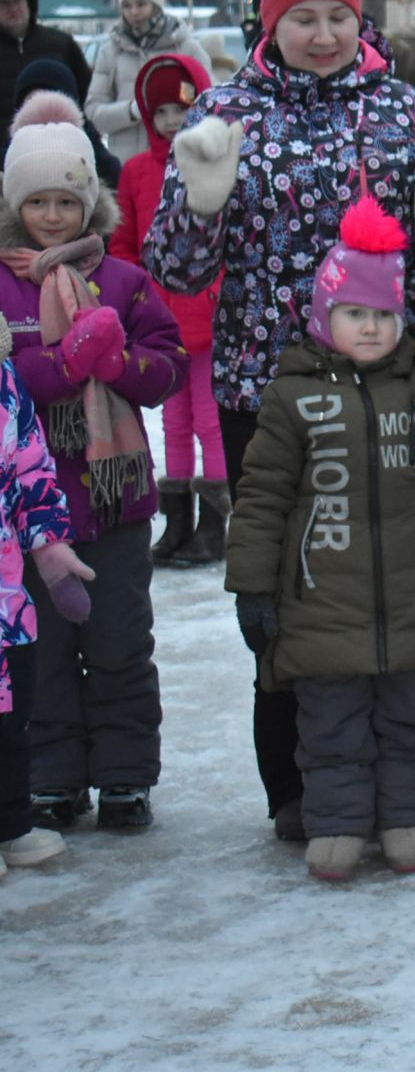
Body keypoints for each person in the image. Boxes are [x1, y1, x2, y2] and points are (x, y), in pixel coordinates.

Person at [145, 0, 415, 842]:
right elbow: (175, 267)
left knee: (385, 576)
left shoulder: (404, 109)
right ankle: (297, 790)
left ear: (359, 18)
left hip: (395, 388)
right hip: (271, 389)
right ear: (269, 19)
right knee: (290, 589)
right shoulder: (227, 110)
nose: (322, 34)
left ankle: (393, 785)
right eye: (303, 17)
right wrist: (200, 196)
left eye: (337, 15)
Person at [227, 202, 415, 880]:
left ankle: (405, 816)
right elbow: (261, 497)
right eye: (355, 313)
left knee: (412, 715)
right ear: (326, 318)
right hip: (321, 600)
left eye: (383, 314)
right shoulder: (292, 397)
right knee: (331, 722)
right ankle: (339, 822)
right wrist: (254, 585)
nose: (372, 326)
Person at [1, 91, 186, 832]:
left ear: (90, 202)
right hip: (28, 518)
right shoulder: (4, 284)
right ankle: (53, 775)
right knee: (42, 654)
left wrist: (119, 363)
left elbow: (166, 364)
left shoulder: (124, 280)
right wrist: (63, 361)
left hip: (114, 504)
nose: (52, 215)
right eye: (37, 201)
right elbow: (10, 382)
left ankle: (124, 774)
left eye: (66, 200)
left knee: (117, 644)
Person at [110, 54, 226, 567]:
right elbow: (123, 244)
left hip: (211, 316)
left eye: (182, 109)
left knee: (210, 422)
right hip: (161, 321)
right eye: (160, 113)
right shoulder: (137, 172)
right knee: (173, 423)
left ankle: (216, 520)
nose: (172, 122)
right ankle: (177, 519)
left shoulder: (218, 169)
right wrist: (135, 299)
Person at [0, 316, 92, 877]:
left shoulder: (7, 385)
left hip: (6, 597)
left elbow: (30, 468)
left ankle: (10, 825)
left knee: (12, 715)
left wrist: (50, 547)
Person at [84, 0, 212, 162]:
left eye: (141, 4)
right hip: (127, 166)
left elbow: (211, 100)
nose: (134, 11)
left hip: (181, 163)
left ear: (155, 5)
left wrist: (178, 112)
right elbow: (93, 113)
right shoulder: (110, 51)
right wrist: (132, 111)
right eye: (127, 5)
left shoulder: (185, 46)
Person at [0, 0, 91, 142]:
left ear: (29, 3)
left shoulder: (60, 44)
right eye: (4, 3)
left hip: (61, 144)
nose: (13, 8)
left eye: (17, 1)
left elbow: (86, 94)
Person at [12, 59, 121, 190]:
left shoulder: (101, 163)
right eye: (33, 102)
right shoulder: (8, 161)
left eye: (52, 103)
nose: (42, 111)